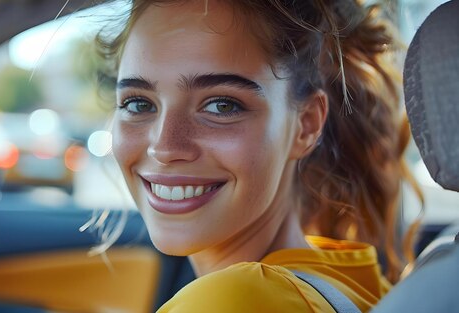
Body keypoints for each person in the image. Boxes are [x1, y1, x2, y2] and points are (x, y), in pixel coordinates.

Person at [98, 0, 417, 311]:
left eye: (221, 105)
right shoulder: (354, 281)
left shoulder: (233, 300)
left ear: (306, 125)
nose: (164, 147)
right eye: (138, 104)